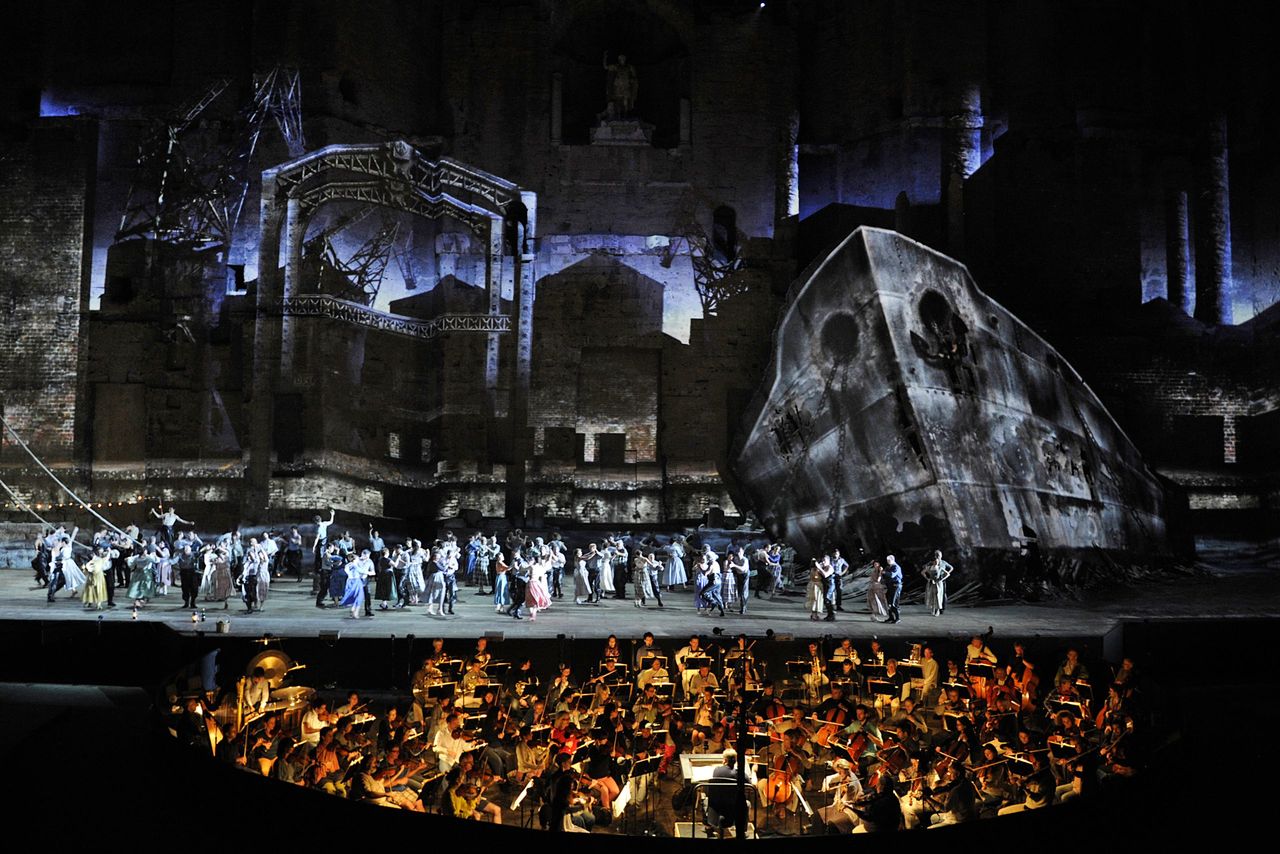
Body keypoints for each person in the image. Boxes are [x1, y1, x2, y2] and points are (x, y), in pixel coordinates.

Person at [921, 550, 953, 616]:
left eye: (939, 555)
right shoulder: (931, 563)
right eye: (937, 555)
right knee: (932, 595)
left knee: (941, 595)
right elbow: (924, 568)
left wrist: (945, 575)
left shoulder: (943, 563)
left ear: (941, 556)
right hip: (933, 581)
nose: (938, 557)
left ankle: (940, 609)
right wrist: (928, 577)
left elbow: (951, 568)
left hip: (940, 580)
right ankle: (934, 609)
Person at [338, 554, 365, 619]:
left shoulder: (347, 565)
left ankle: (353, 608)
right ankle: (356, 612)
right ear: (355, 559)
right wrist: (369, 572)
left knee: (353, 595)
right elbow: (361, 571)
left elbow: (345, 572)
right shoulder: (355, 565)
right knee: (359, 596)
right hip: (356, 581)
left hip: (349, 581)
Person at [883, 555, 903, 623]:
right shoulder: (888, 567)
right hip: (890, 585)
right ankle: (891, 617)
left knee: (893, 602)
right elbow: (884, 575)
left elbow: (892, 575)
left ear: (892, 560)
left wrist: (884, 572)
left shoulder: (896, 567)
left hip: (896, 586)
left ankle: (897, 618)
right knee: (888, 602)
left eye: (889, 560)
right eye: (887, 560)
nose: (888, 562)